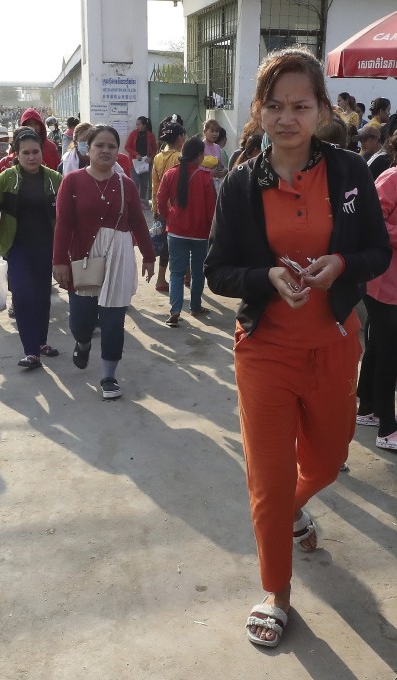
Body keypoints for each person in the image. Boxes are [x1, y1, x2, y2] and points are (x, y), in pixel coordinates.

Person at [204, 46, 390, 648]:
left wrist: (341, 263)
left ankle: (289, 510)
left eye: (301, 105)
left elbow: (378, 254)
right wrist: (266, 278)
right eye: (275, 105)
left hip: (336, 344)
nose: (288, 117)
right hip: (266, 353)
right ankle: (276, 591)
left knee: (330, 459)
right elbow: (218, 271)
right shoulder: (240, 183)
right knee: (270, 473)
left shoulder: (350, 172)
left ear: (319, 109)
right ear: (259, 110)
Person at [52, 125, 156, 400]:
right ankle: (83, 342)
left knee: (113, 322)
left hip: (119, 258)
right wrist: (59, 261)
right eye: (100, 145)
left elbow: (138, 223)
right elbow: (63, 225)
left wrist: (148, 255)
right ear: (88, 148)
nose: (106, 150)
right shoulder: (72, 181)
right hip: (84, 258)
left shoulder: (126, 184)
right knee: (81, 321)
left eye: (112, 146)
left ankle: (109, 375)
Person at [0, 129, 63, 368]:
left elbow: (68, 214)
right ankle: (31, 351)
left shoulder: (53, 179)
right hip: (16, 248)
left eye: (35, 152)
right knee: (23, 296)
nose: (31, 157)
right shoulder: (5, 179)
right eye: (25, 153)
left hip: (47, 247)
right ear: (15, 154)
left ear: (42, 153)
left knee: (42, 298)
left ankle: (41, 343)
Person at [356, 148, 397, 451]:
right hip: (384, 282)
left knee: (378, 346)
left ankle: (367, 407)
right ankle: (387, 426)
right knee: (389, 352)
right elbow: (371, 222)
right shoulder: (391, 178)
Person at [156, 136, 215, 327]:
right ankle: (196, 306)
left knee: (176, 272)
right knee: (198, 271)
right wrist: (212, 232)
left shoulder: (170, 174)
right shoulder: (205, 177)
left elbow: (160, 198)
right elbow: (211, 210)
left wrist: (169, 216)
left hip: (176, 231)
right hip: (200, 233)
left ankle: (174, 310)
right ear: (198, 156)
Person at [151, 122, 185, 292]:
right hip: (175, 208)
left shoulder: (158, 157)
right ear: (180, 138)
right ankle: (161, 278)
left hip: (160, 206)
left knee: (166, 243)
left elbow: (154, 184)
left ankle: (185, 274)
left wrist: (156, 207)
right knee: (172, 244)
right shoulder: (179, 157)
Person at [125, 116, 157, 209]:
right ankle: (134, 202)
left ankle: (143, 202)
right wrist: (136, 154)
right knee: (135, 182)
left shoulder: (150, 135)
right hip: (135, 163)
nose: (137, 127)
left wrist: (151, 158)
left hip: (146, 163)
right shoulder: (133, 134)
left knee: (144, 183)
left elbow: (155, 149)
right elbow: (127, 147)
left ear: (144, 125)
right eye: (137, 125)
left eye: (139, 125)